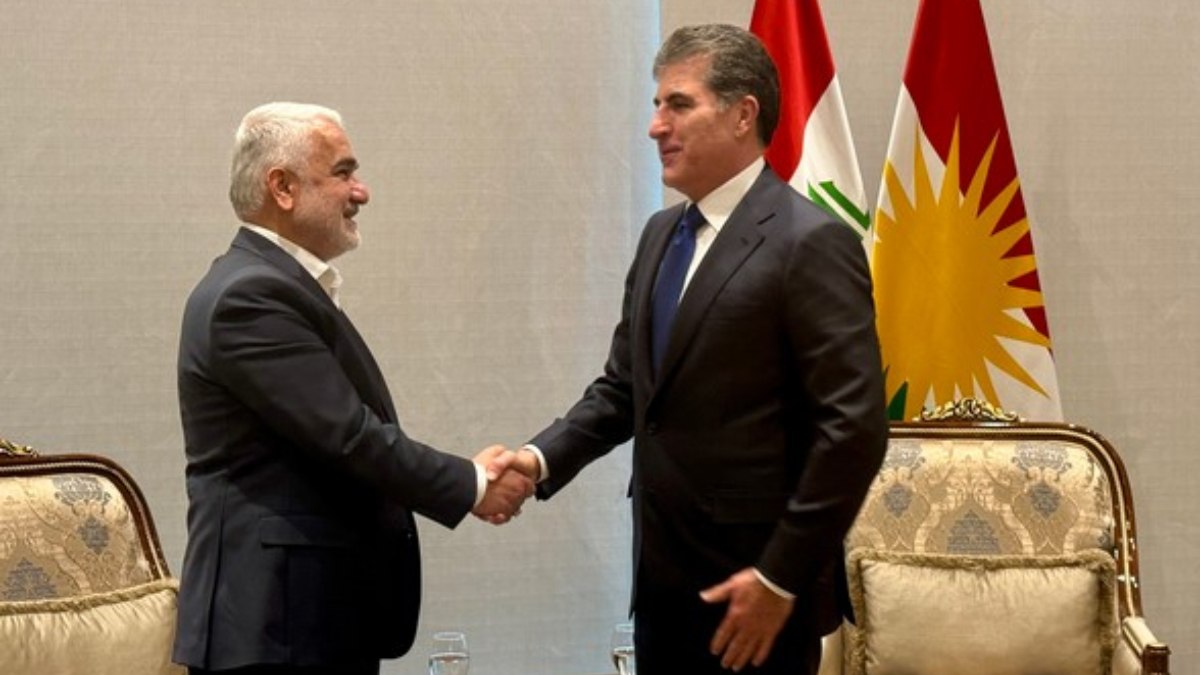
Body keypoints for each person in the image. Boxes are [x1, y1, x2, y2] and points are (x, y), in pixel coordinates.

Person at [502, 25, 888, 674]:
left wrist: (781, 577)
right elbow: (626, 388)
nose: (656, 126)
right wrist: (538, 460)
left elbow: (854, 428)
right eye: (657, 105)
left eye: (678, 104)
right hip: (662, 588)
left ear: (743, 114)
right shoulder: (660, 235)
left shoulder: (810, 242)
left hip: (755, 597)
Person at [173, 102, 532, 675]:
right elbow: (349, 436)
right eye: (342, 172)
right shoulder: (250, 296)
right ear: (282, 187)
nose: (361, 191)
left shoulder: (272, 284)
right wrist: (471, 483)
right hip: (272, 630)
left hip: (304, 621)